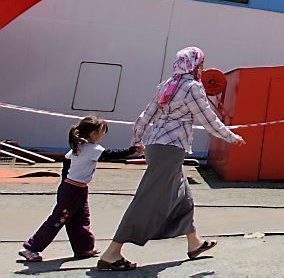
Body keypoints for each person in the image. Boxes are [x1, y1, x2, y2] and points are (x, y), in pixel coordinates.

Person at [97, 47, 245, 271]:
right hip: (171, 149)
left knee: (184, 196)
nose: (203, 67)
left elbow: (145, 116)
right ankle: (112, 253)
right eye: (201, 63)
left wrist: (137, 139)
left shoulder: (167, 85)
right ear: (195, 64)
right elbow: (208, 119)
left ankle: (194, 243)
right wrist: (231, 137)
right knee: (147, 199)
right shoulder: (192, 87)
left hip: (157, 145)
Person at [19, 116, 140, 262]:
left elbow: (66, 165)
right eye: (102, 132)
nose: (103, 136)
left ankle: (84, 248)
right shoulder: (93, 149)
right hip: (73, 190)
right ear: (93, 134)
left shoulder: (77, 148)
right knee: (58, 219)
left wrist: (64, 186)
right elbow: (110, 155)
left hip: (76, 188)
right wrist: (132, 150)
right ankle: (31, 247)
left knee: (80, 219)